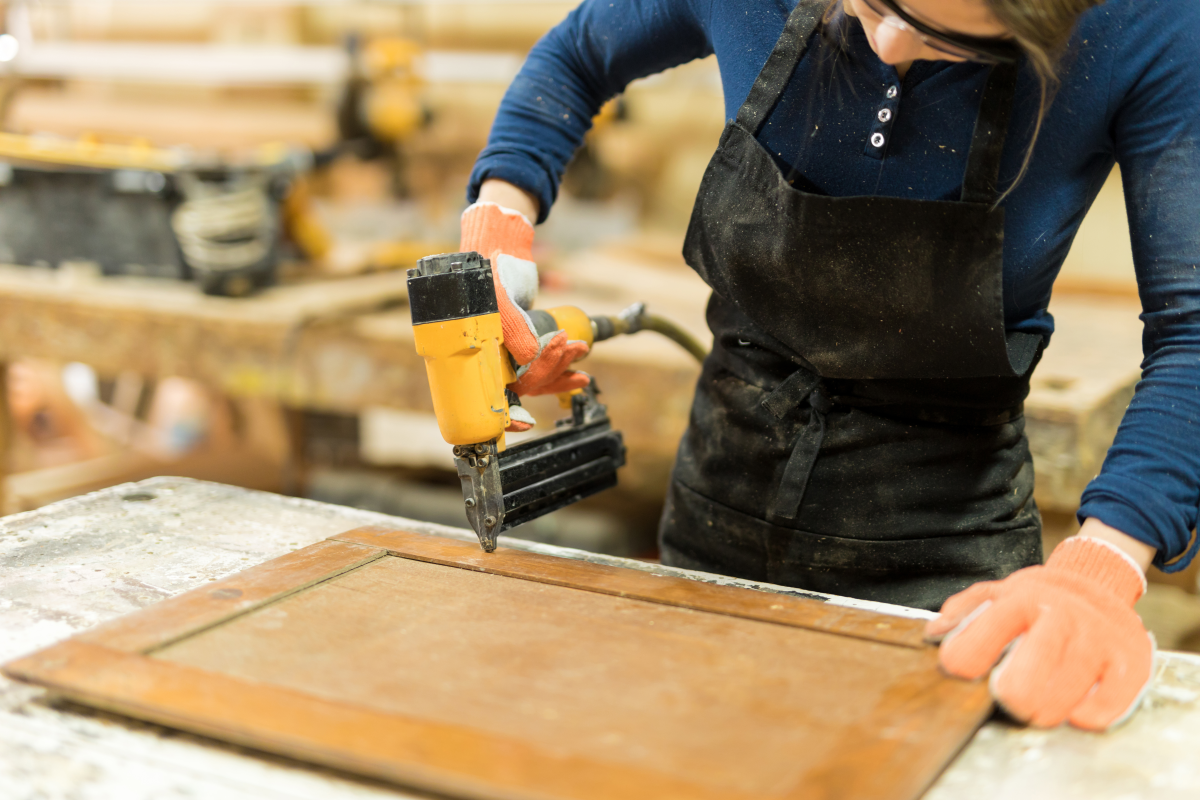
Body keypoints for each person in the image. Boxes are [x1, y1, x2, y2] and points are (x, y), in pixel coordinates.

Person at [458, 0, 1200, 731]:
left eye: (949, 40)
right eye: (872, 2)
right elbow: (578, 54)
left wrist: (1104, 567)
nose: (889, 46)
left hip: (945, 563)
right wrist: (502, 217)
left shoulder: (1145, 24)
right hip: (714, 508)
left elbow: (1192, 335)